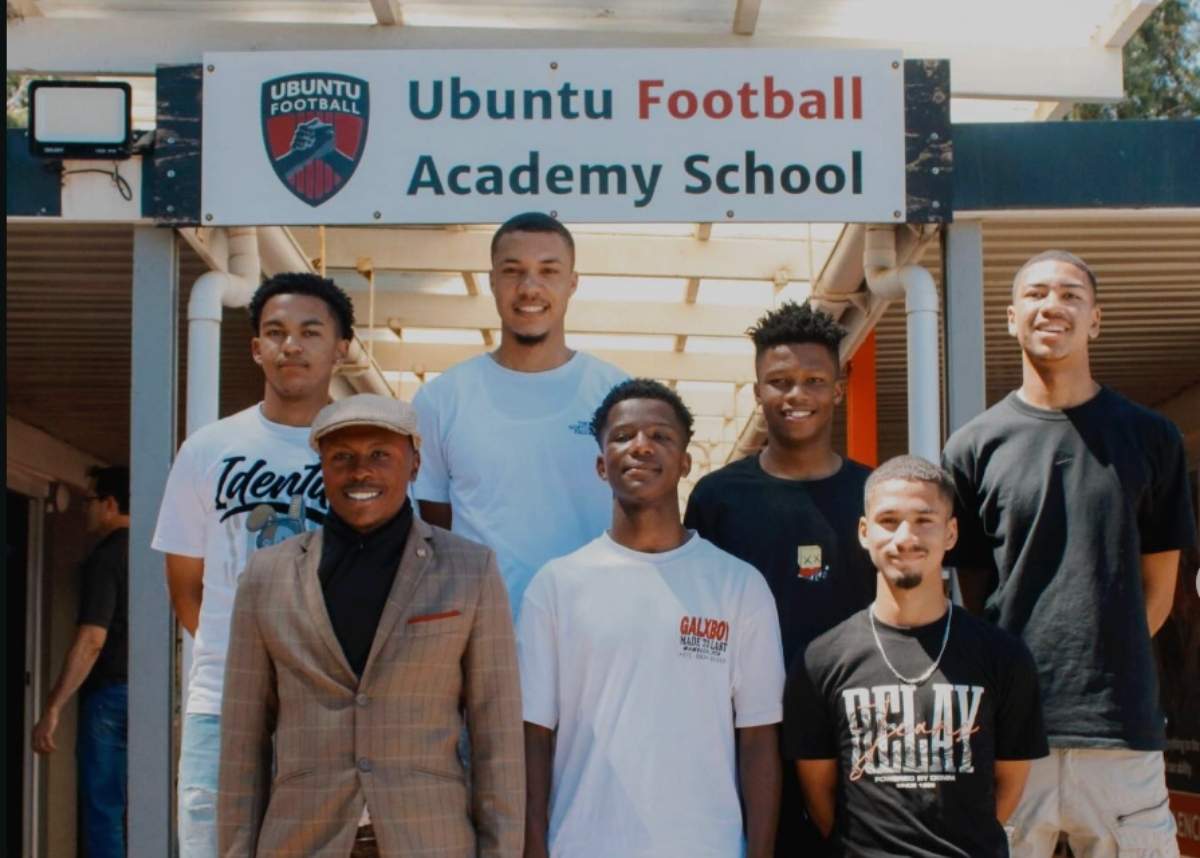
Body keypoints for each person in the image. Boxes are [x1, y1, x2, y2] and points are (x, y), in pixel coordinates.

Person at [942, 250, 1197, 857]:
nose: (1050, 306)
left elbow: (1160, 590)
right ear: (1009, 317)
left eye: (1068, 295)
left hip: (1121, 733)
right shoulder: (974, 446)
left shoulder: (1151, 438)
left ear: (1095, 321)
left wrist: (1112, 668)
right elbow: (978, 594)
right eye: (1034, 295)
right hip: (1010, 731)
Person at [218, 394, 524, 858]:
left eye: (380, 454)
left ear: (415, 463)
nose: (361, 471)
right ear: (321, 467)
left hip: (430, 840)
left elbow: (496, 735)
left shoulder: (469, 570)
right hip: (302, 840)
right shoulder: (267, 575)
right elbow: (243, 741)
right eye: (342, 457)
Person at [518, 379, 785, 858]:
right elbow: (533, 736)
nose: (641, 446)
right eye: (623, 436)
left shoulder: (738, 586)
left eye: (661, 436)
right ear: (602, 465)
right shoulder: (556, 586)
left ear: (685, 462)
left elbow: (759, 739)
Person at [152, 272, 353, 856]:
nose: (292, 345)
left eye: (311, 332)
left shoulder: (367, 451)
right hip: (222, 705)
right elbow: (187, 586)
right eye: (276, 332)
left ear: (340, 348)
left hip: (330, 708)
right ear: (256, 347)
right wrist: (243, 653)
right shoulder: (208, 449)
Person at [784, 455, 1048, 857]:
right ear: (864, 532)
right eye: (888, 520)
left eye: (924, 520)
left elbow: (1009, 783)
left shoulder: (1003, 656)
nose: (905, 537)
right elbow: (819, 794)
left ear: (951, 533)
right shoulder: (820, 660)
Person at [684, 302, 874, 855]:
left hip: (853, 740)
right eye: (780, 382)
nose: (797, 396)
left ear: (839, 389)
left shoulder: (876, 495)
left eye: (815, 381)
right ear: (758, 392)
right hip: (744, 740)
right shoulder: (718, 498)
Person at [413, 212, 627, 616]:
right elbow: (436, 530)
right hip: (483, 639)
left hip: (591, 632)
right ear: (492, 281)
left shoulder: (617, 396)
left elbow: (639, 513)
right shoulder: (441, 400)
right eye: (513, 271)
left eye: (548, 271)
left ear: (573, 283)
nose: (530, 288)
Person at [32, 466, 131, 858]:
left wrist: (53, 707)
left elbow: (92, 639)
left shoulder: (107, 557)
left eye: (89, 501)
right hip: (150, 695)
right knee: (147, 804)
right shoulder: (153, 555)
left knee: (104, 808)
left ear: (109, 504)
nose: (84, 510)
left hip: (109, 696)